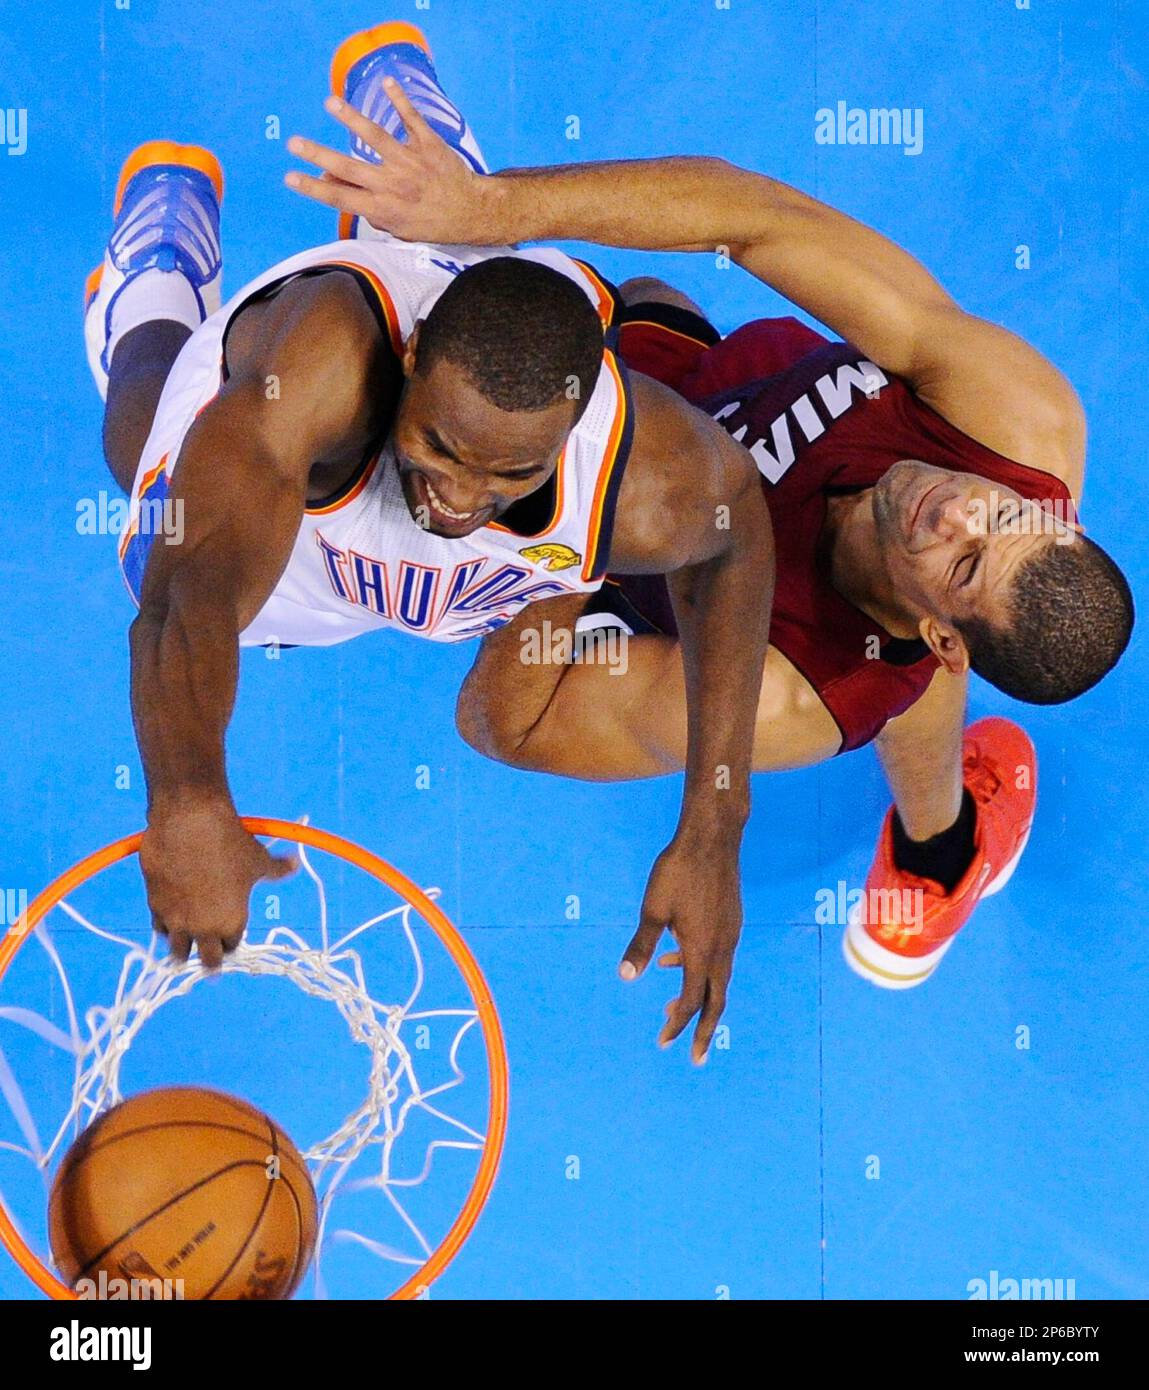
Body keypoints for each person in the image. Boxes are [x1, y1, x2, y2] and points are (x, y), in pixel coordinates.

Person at [285, 48, 1133, 992]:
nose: (961, 506)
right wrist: (491, 207)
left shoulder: (789, 697)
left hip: (593, 539)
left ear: (947, 625)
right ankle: (942, 847)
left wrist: (566, 497)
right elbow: (751, 215)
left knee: (373, 401)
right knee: (627, 301)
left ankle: (156, 322)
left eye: (972, 560)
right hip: (694, 379)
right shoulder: (1016, 420)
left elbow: (506, 726)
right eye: (1009, 512)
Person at [82, 24, 776, 1063]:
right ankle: (159, 265)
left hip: (461, 397)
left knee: (459, 245)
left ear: (573, 429)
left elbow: (733, 546)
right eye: (441, 448)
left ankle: (414, 137)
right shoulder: (317, 378)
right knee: (137, 434)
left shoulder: (652, 474)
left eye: (511, 474)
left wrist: (716, 824)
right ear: (405, 377)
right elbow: (188, 601)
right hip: (295, 470)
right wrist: (188, 794)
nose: (459, 494)